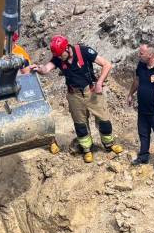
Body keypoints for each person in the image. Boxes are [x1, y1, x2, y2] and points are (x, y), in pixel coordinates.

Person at [31, 35, 123, 163]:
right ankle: (87, 149)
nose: (59, 58)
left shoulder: (84, 51)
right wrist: (39, 69)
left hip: (91, 92)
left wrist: (99, 83)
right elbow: (46, 69)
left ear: (67, 48)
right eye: (56, 56)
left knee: (104, 121)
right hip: (74, 95)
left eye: (60, 55)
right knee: (80, 125)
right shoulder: (58, 58)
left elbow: (106, 64)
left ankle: (109, 144)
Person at [127, 41, 154, 173]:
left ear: (150, 54)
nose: (139, 55)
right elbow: (137, 80)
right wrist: (130, 94)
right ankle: (144, 156)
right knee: (143, 134)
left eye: (141, 53)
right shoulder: (141, 65)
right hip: (142, 109)